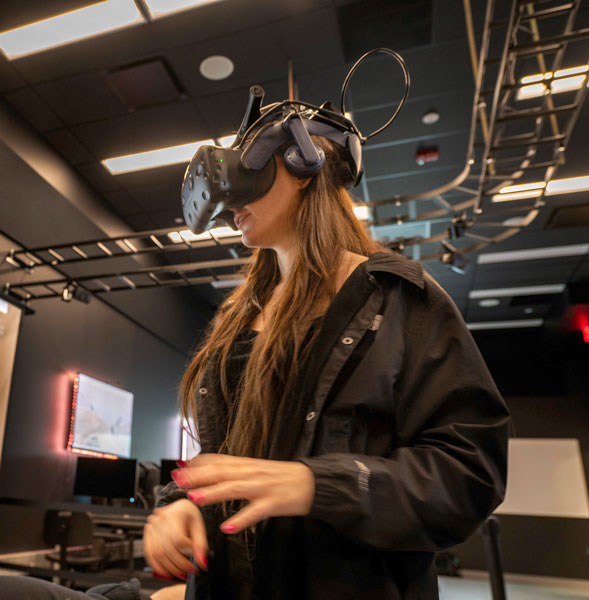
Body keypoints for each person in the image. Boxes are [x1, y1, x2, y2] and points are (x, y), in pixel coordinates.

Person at [144, 136, 511, 599]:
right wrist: (186, 504)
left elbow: (469, 472)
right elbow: (233, 455)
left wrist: (321, 484)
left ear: (302, 165)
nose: (229, 202)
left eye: (247, 175)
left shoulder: (400, 301)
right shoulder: (238, 318)